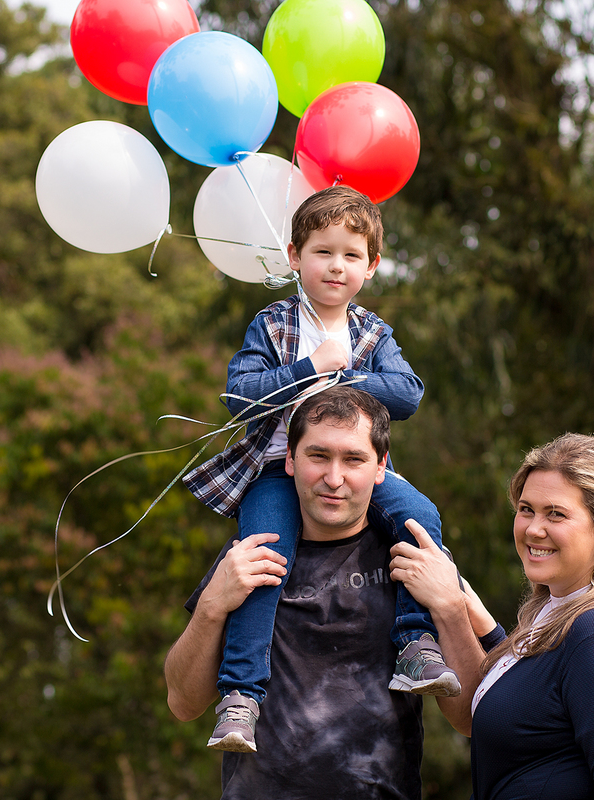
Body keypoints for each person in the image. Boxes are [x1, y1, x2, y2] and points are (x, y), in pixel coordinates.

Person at [182, 185, 459, 754]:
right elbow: (240, 396)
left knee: (419, 516)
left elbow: (407, 392)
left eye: (352, 255)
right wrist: (308, 368)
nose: (337, 266)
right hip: (278, 471)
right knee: (263, 556)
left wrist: (347, 378)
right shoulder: (273, 323)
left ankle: (415, 641)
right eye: (322, 252)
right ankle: (241, 696)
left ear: (372, 266)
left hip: (357, 471)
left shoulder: (372, 333)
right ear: (293, 257)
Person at [166, 386, 482, 798]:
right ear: (291, 460)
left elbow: (470, 720)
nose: (334, 479)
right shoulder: (251, 554)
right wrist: (211, 606)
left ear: (381, 465)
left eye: (353, 459)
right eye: (319, 456)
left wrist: (452, 608)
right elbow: (184, 704)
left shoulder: (415, 555)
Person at [390, 432, 594, 799]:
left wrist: (450, 608)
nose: (533, 529)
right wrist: (470, 616)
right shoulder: (558, 611)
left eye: (555, 514)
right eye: (526, 509)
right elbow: (507, 709)